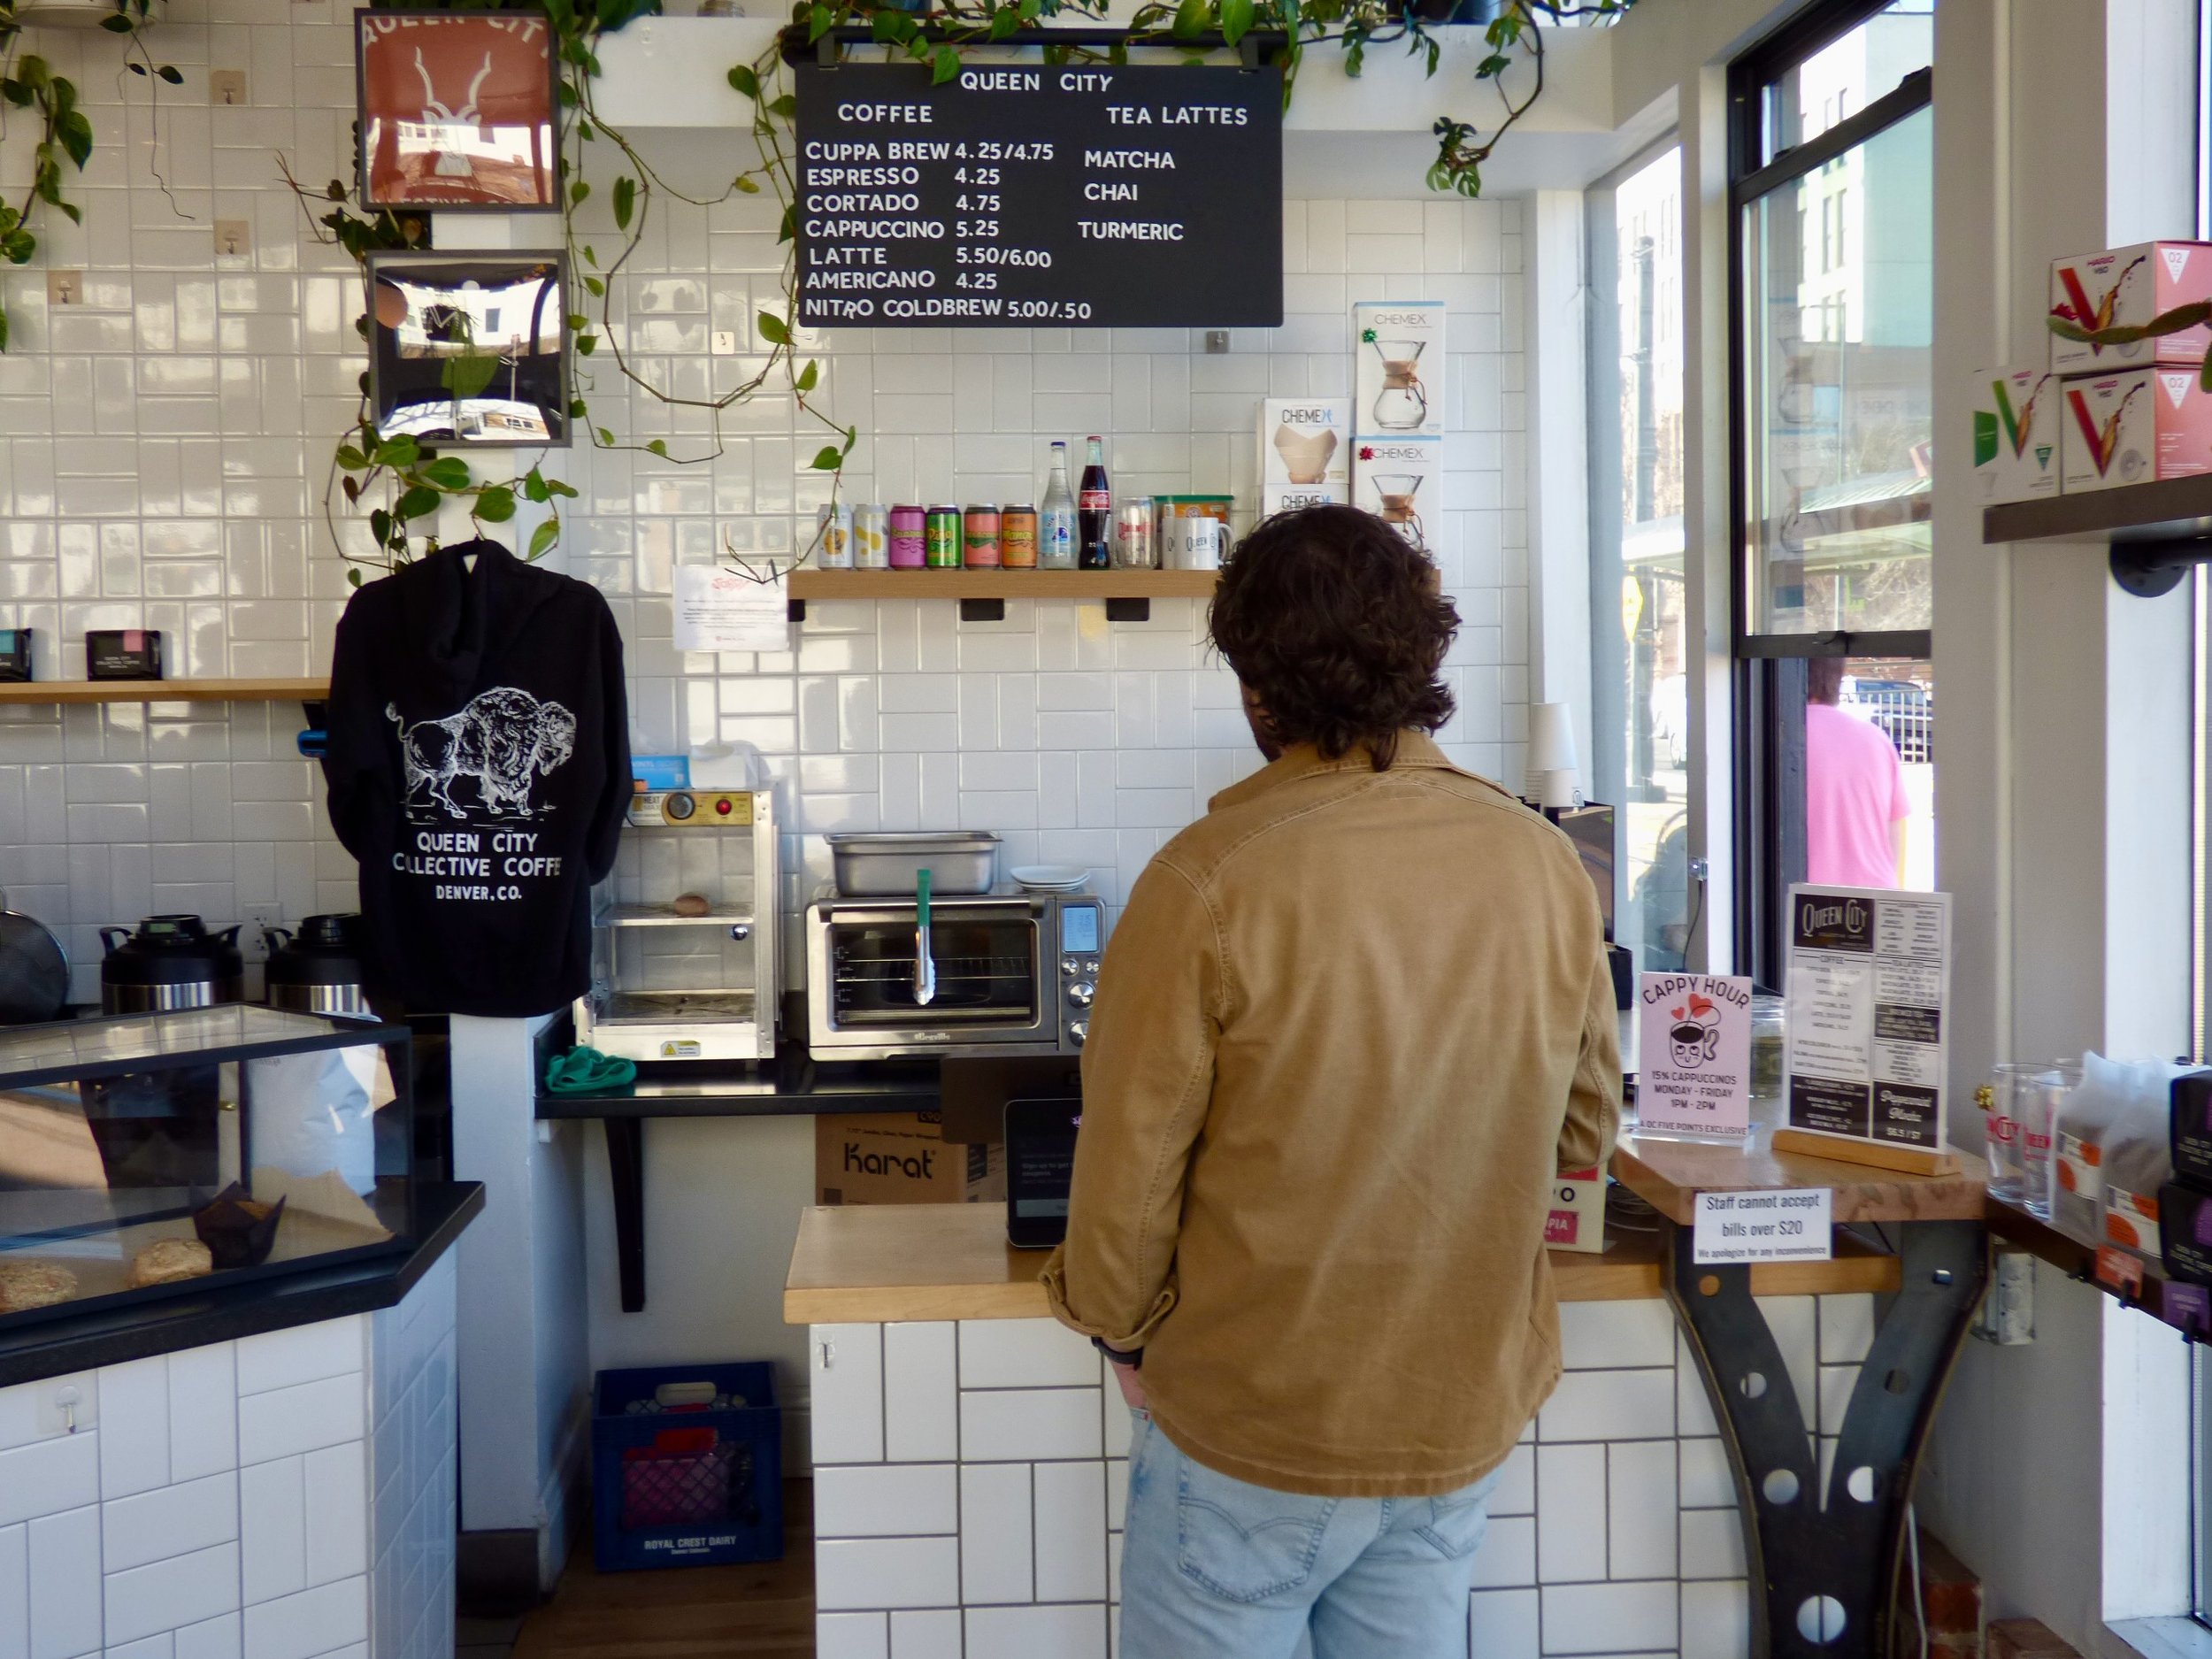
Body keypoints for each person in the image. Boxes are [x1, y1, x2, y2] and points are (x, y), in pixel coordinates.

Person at [1041, 504, 1621, 1659]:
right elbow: (1586, 1128)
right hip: (1457, 1418)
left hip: (1256, 1422)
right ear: (1425, 658)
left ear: (1257, 686)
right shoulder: (1546, 861)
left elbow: (1128, 1169)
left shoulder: (1207, 879)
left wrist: (1117, 1330)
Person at [1803, 657, 1909, 888]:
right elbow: (1895, 829)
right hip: (1873, 900)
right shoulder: (1876, 739)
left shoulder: (1779, 738)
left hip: (1805, 905)